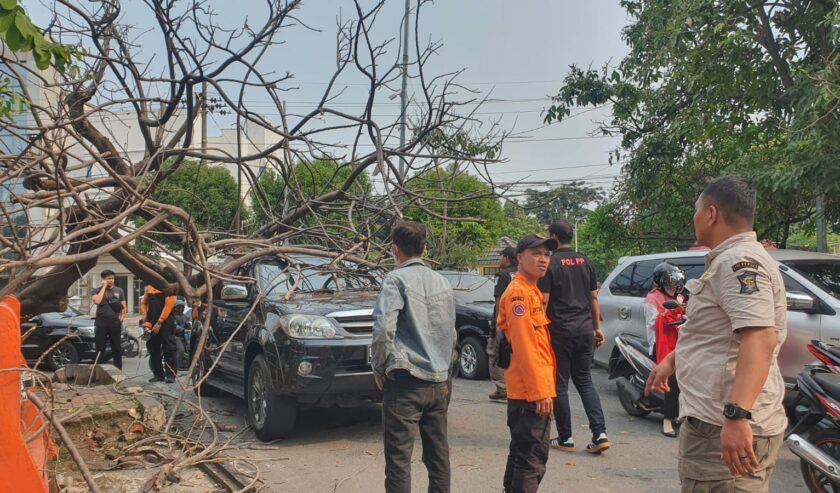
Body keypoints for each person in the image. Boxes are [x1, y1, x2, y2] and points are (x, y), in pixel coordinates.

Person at [646, 176, 788, 492]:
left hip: (721, 424)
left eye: (697, 210)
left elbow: (759, 337)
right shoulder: (727, 260)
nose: (694, 217)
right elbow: (717, 333)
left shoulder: (739, 262)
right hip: (716, 420)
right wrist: (672, 360)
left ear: (711, 214)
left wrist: (737, 416)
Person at [371, 220, 457, 493]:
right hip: (440, 382)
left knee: (398, 460)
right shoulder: (442, 281)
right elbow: (451, 333)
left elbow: (384, 327)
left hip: (406, 381)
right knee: (438, 456)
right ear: (425, 248)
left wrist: (379, 365)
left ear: (394, 249)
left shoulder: (395, 279)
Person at [539, 220, 609, 454]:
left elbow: (545, 300)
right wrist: (596, 327)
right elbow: (593, 298)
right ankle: (600, 433)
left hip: (560, 332)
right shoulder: (585, 261)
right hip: (584, 330)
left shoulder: (551, 263)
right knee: (585, 381)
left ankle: (566, 437)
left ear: (553, 237)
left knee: (560, 385)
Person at [497, 234, 557, 493]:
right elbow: (524, 346)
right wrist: (540, 391)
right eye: (536, 254)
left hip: (531, 390)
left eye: (546, 254)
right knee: (531, 460)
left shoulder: (531, 290)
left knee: (522, 455)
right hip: (529, 393)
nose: (543, 259)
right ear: (519, 258)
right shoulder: (519, 294)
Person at [643, 262, 686, 437]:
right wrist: (674, 312)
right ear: (661, 282)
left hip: (680, 342)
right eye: (670, 282)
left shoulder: (680, 297)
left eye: (676, 282)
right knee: (672, 381)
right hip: (661, 344)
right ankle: (667, 420)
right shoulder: (652, 300)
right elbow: (654, 323)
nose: (674, 286)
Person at [488, 246, 517, 401]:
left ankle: (502, 389)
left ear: (506, 258)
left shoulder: (503, 275)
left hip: (504, 323)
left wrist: (498, 324)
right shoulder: (522, 273)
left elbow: (499, 300)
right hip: (519, 322)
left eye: (501, 257)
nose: (500, 260)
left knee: (495, 354)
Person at [140, 285, 178, 383]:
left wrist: (160, 322)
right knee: (153, 347)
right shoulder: (149, 287)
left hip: (166, 322)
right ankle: (158, 375)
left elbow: (169, 305)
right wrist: (144, 314)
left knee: (168, 347)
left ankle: (171, 375)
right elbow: (144, 302)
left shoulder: (169, 286)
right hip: (151, 321)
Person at [90, 269, 126, 369]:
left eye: (112, 278)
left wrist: (121, 319)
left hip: (114, 323)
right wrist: (104, 286)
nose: (111, 280)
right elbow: (97, 300)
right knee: (100, 347)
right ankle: (98, 370)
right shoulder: (96, 290)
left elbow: (124, 307)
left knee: (116, 348)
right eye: (108, 279)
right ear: (103, 279)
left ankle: (119, 371)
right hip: (101, 323)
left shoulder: (119, 290)